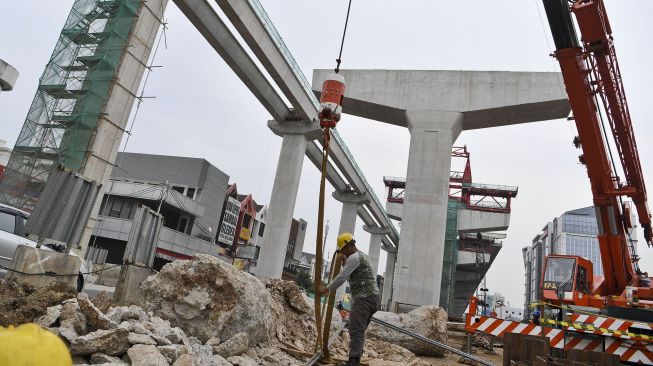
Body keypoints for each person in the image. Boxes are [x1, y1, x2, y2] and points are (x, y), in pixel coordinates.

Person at [318, 232, 380, 366]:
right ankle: (355, 358)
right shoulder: (362, 256)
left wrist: (326, 289)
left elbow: (341, 277)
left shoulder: (354, 258)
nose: (343, 253)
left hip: (364, 298)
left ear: (349, 246)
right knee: (359, 330)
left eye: (343, 250)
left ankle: (353, 361)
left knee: (355, 329)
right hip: (372, 298)